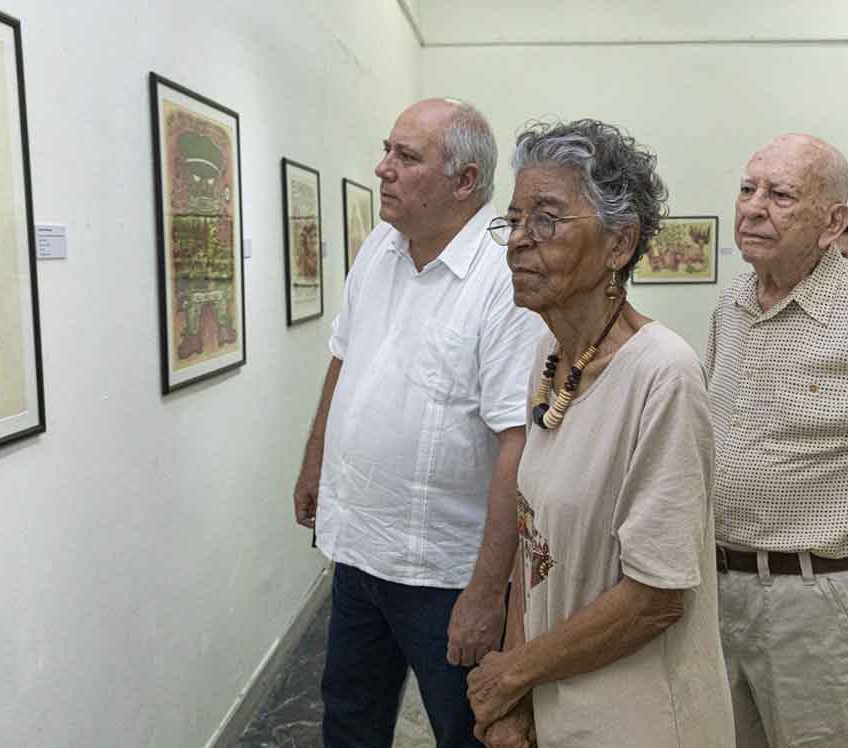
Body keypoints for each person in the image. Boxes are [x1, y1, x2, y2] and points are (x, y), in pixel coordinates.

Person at [465, 119, 734, 748]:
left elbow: (656, 598)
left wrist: (512, 674)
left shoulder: (663, 375)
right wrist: (519, 697)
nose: (518, 241)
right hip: (560, 701)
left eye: (547, 220)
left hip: (639, 719)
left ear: (620, 244)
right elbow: (533, 542)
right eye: (514, 219)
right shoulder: (549, 355)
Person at [292, 98, 542, 748]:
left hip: (446, 573)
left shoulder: (503, 277)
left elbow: (517, 444)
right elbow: (344, 355)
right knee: (349, 718)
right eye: (387, 150)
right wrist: (315, 460)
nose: (383, 168)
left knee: (466, 730)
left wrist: (486, 592)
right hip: (358, 551)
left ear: (465, 181)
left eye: (406, 157)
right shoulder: (381, 246)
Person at [707, 133, 848, 748]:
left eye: (780, 195)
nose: (753, 208)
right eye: (747, 189)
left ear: (833, 222)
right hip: (718, 591)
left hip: (817, 602)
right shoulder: (730, 304)